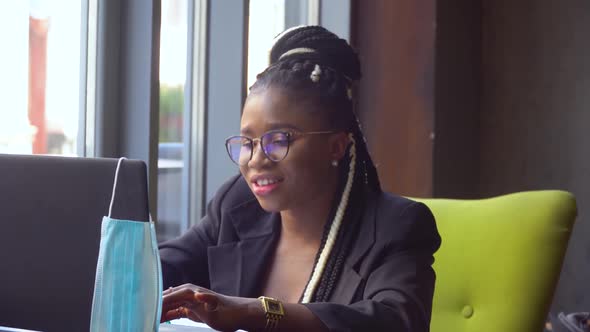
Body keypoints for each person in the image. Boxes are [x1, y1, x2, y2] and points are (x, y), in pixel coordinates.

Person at [159, 25, 441, 332]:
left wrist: (255, 312)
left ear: (336, 146)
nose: (256, 160)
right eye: (247, 142)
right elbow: (166, 266)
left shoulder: (395, 227)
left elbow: (395, 322)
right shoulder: (237, 204)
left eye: (279, 140)